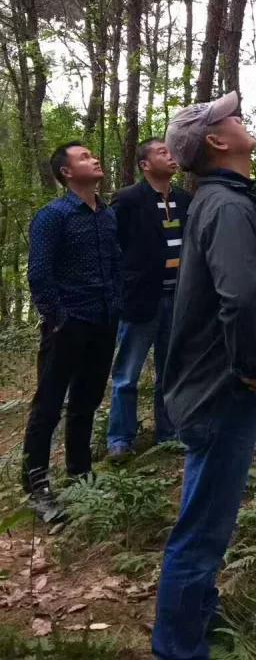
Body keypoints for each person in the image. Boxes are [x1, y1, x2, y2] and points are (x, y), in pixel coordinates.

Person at [152, 91, 256, 660]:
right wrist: (254, 369)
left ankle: (199, 618)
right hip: (221, 388)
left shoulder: (219, 200)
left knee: (205, 511)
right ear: (215, 140)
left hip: (210, 384)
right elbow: (240, 296)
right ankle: (179, 647)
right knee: (203, 527)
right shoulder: (227, 207)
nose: (239, 119)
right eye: (228, 118)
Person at [23, 142, 121, 522]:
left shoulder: (106, 214)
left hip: (104, 321)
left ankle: (80, 475)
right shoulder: (53, 216)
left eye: (92, 155)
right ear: (66, 173)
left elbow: (115, 263)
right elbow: (39, 274)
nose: (94, 159)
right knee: (48, 406)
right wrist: (59, 318)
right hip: (68, 325)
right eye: (84, 158)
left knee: (86, 401)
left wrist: (116, 304)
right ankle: (37, 487)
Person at [107, 139, 192, 459]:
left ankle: (168, 433)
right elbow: (112, 247)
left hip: (177, 299)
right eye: (162, 153)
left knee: (170, 371)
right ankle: (120, 439)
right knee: (127, 374)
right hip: (140, 300)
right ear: (145, 165)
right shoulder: (128, 199)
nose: (170, 156)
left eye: (170, 151)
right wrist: (122, 287)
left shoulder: (184, 199)